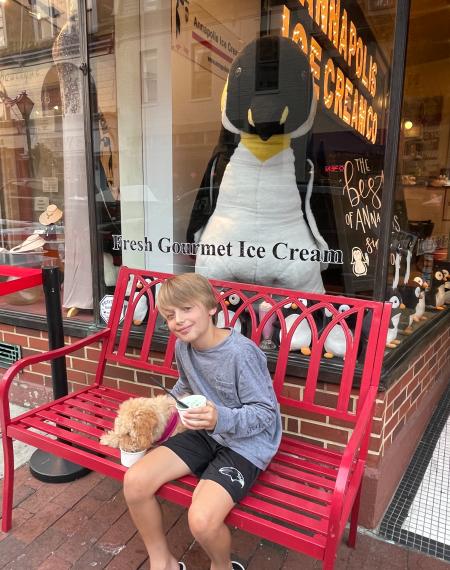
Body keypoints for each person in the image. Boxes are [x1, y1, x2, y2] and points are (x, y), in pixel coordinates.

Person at [123, 273, 282, 570]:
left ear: (210, 307)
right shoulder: (184, 346)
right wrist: (163, 407)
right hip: (205, 430)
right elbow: (185, 386)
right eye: (170, 316)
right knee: (135, 482)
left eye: (187, 309)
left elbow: (265, 413)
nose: (179, 321)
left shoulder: (240, 353)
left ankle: (222, 566)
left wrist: (220, 417)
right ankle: (163, 562)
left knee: (202, 522)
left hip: (246, 442)